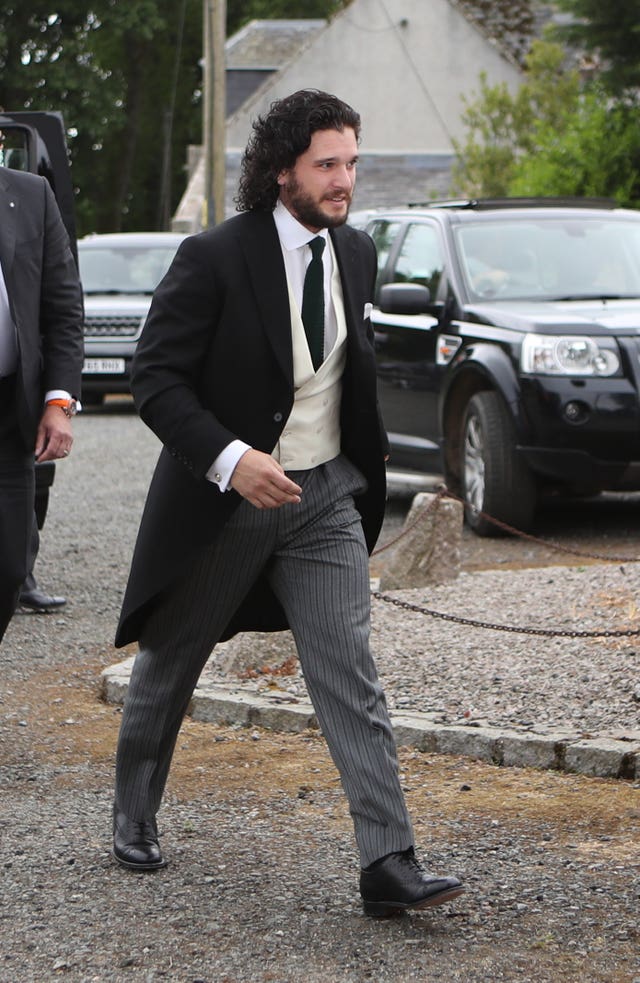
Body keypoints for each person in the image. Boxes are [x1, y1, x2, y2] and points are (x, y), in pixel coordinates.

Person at [112, 89, 464, 917]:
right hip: (228, 506)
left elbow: (346, 365)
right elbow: (153, 380)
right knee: (172, 658)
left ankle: (388, 859)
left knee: (350, 670)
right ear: (281, 172)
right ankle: (133, 812)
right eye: (327, 165)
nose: (345, 181)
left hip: (328, 496)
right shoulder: (213, 258)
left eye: (351, 162)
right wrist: (231, 461)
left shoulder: (357, 254)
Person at [0, 167, 83, 643]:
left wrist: (59, 402)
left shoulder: (31, 195)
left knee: (11, 565)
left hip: (9, 414)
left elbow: (64, 305)